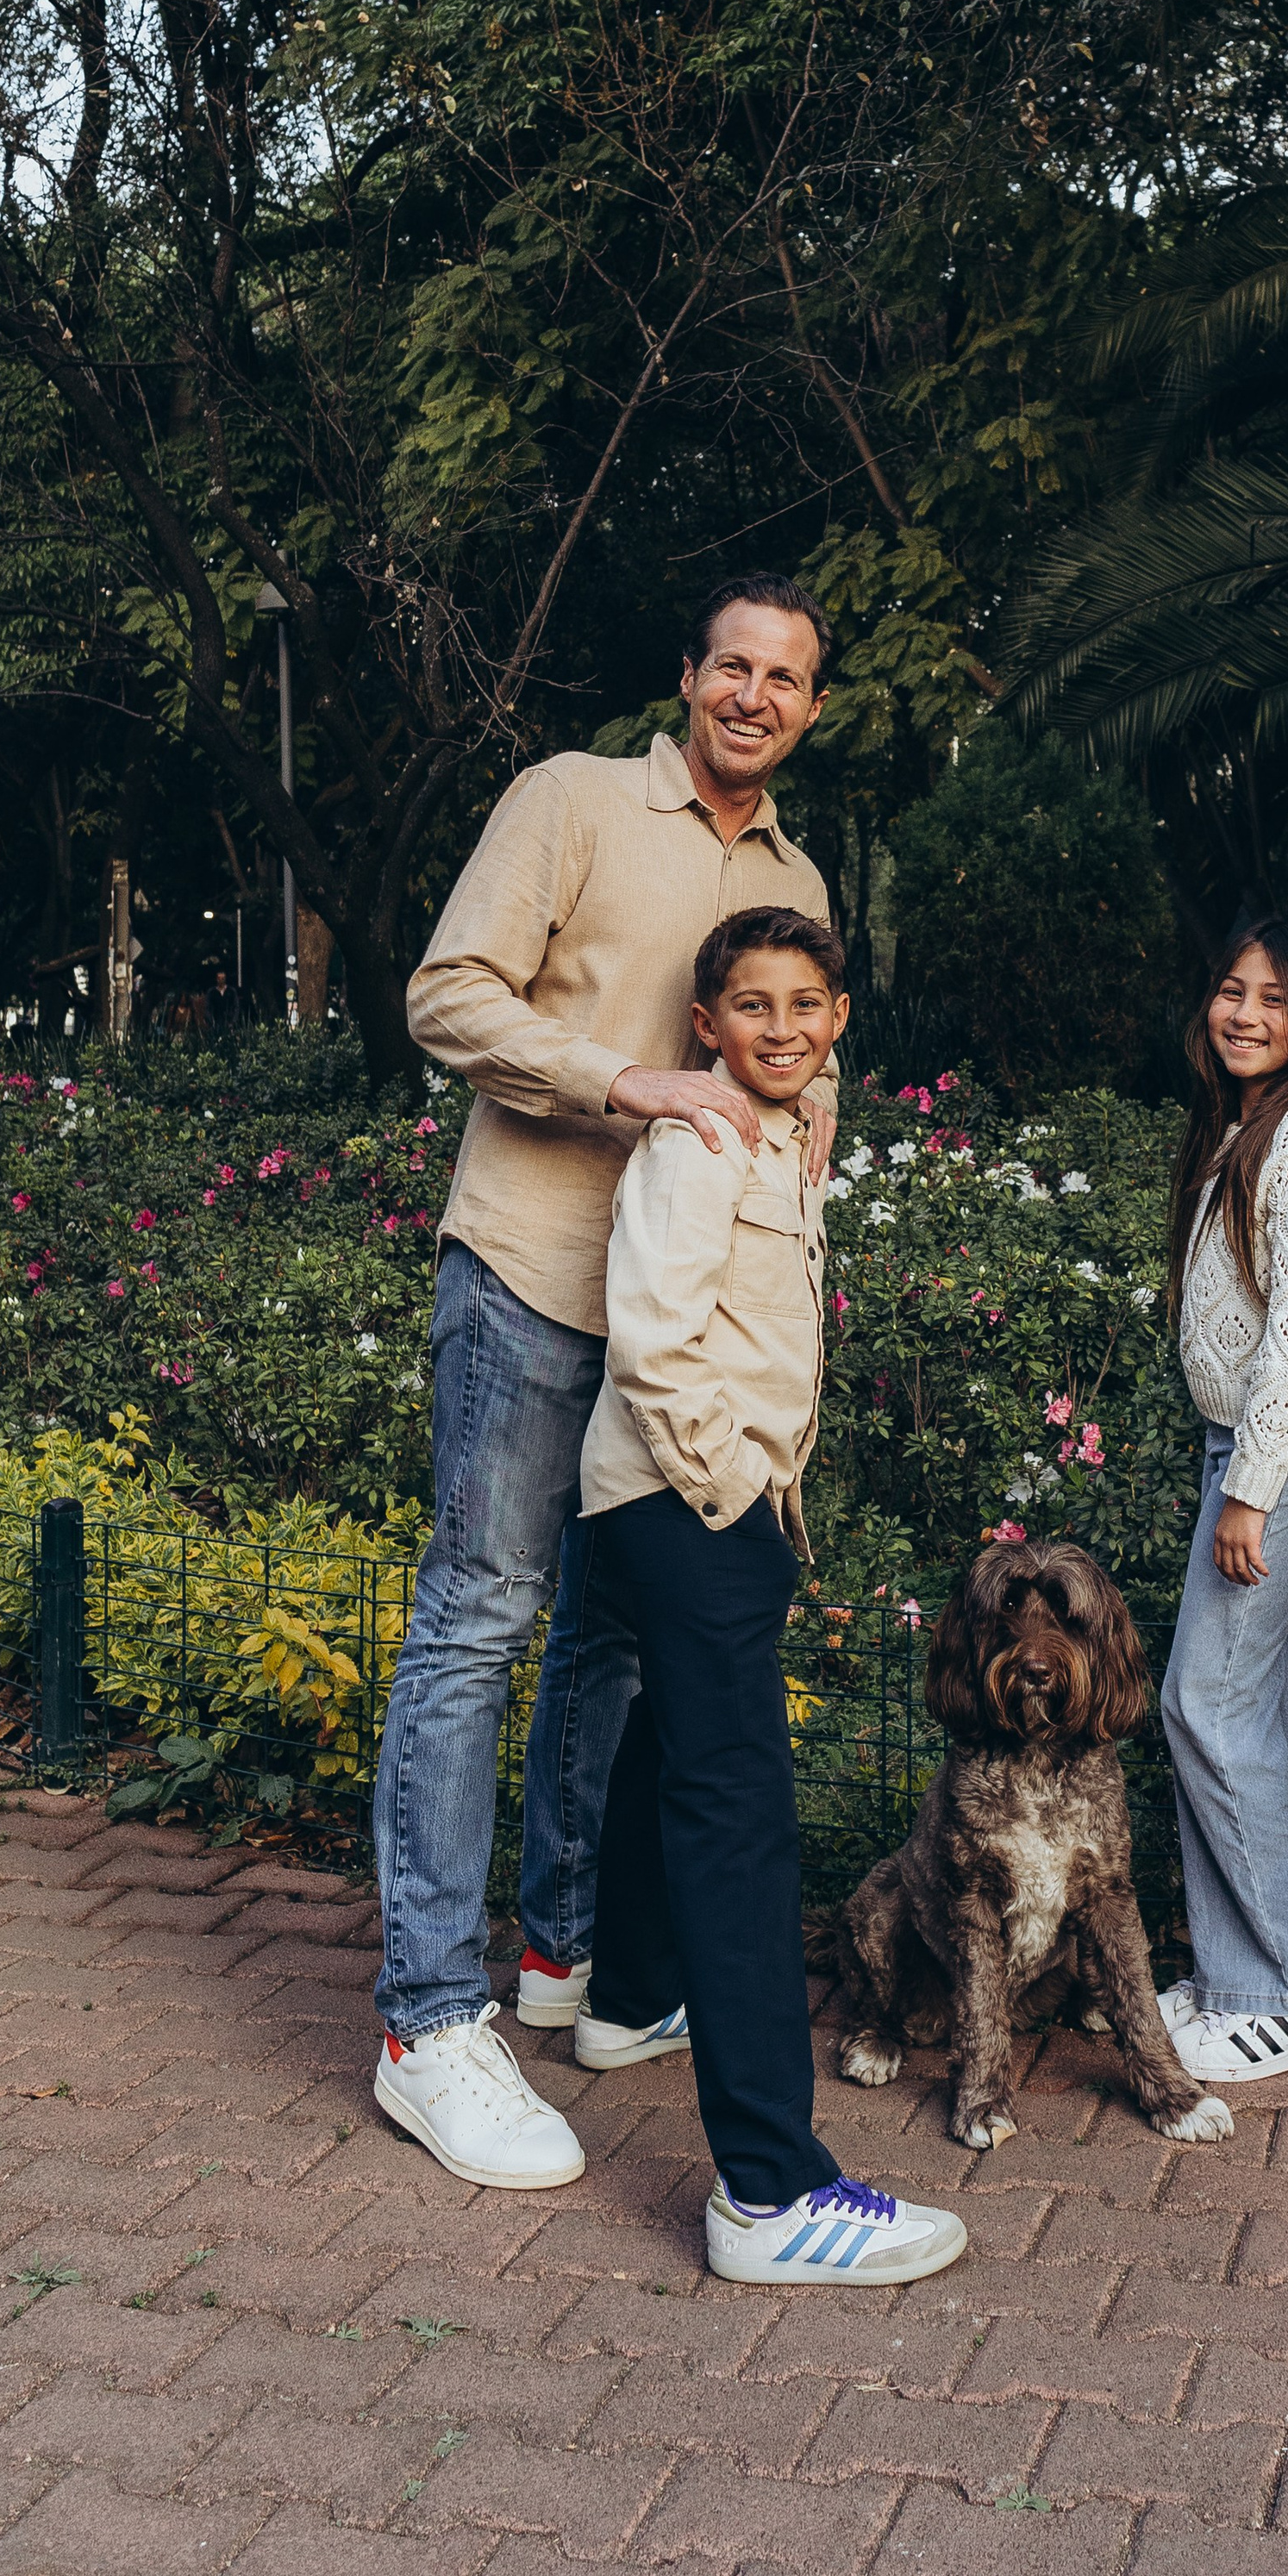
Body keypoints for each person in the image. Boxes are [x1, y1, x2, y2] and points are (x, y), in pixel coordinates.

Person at [372, 574, 840, 2191]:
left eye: (786, 677)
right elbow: (446, 996)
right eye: (733, 666)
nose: (754, 695)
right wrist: (628, 1080)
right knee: (482, 1615)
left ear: (810, 707)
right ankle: (429, 2017)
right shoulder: (569, 799)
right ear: (690, 676)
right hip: (529, 1267)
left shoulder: (795, 871)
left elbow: (803, 1066)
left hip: (681, 1323)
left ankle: (570, 1959)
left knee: (616, 1638)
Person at [573, 907, 969, 2285]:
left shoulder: (791, 1127)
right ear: (705, 1025)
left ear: (840, 1019)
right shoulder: (702, 1140)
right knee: (740, 1803)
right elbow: (651, 1335)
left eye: (808, 1005)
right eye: (752, 1006)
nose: (782, 1028)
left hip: (691, 1498)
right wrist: (731, 1488)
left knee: (678, 1746)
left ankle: (622, 1995)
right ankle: (766, 2189)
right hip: (691, 1495)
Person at [1154, 922, 1288, 2089]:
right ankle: (1263, 1975)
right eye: (1230, 989)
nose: (1243, 1012)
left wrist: (1250, 1490)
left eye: (1272, 1000)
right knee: (1261, 1711)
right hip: (1242, 1442)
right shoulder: (1240, 1125)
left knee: (1204, 1702)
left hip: (1279, 1450)